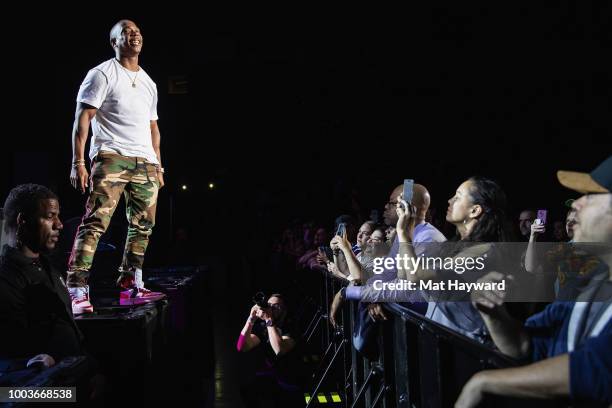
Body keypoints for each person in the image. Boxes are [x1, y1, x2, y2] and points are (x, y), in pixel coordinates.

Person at [458, 156, 612, 407]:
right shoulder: (591, 288)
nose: (578, 203)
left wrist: (484, 382)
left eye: (592, 195)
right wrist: (494, 314)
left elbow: (596, 366)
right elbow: (524, 345)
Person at [67, 19, 165, 314]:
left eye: (137, 31)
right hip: (112, 156)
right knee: (96, 222)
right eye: (126, 32)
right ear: (114, 42)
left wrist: (158, 164)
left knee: (143, 226)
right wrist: (78, 161)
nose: (134, 35)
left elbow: (153, 128)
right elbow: (82, 119)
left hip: (146, 161)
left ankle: (130, 286)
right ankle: (77, 289)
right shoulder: (101, 74)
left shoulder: (149, 82)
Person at [0, 185, 83, 365]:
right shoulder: (7, 277)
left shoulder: (49, 267)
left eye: (58, 216)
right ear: (23, 220)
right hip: (42, 388)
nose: (59, 224)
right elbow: (13, 347)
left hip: (75, 376)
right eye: (49, 216)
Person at [237, 294, 302, 407]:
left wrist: (268, 319)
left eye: (276, 306)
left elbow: (279, 349)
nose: (271, 308)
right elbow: (242, 346)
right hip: (273, 375)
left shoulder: (291, 326)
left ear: (284, 311)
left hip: (289, 379)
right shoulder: (265, 326)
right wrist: (251, 319)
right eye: (269, 305)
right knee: (247, 390)